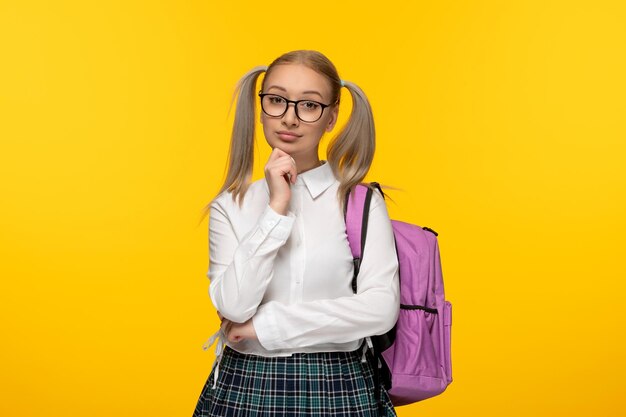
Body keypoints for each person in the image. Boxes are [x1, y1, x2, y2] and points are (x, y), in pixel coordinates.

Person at [193, 49, 400, 417]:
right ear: (261, 109)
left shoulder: (361, 202)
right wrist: (277, 207)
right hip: (246, 386)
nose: (289, 118)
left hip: (339, 385)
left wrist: (265, 326)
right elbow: (233, 306)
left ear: (331, 116)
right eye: (276, 100)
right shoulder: (231, 206)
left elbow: (380, 309)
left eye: (309, 105)